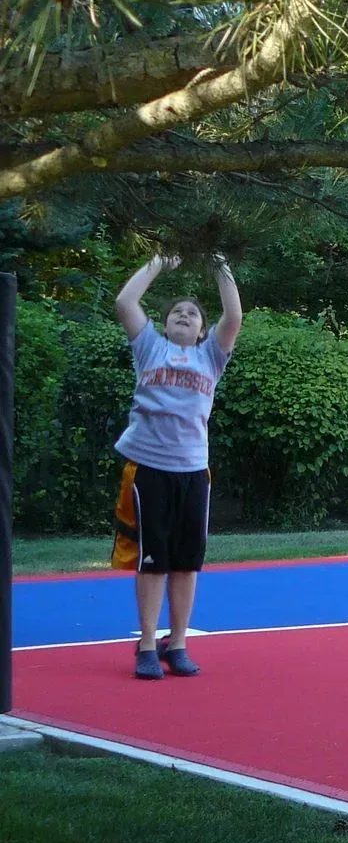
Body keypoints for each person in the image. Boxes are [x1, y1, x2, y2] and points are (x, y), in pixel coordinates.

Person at [111, 253, 243, 680]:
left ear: (203, 331)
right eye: (176, 313)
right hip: (149, 468)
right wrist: (158, 263)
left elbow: (234, 314)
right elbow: (125, 303)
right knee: (153, 559)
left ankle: (178, 642)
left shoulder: (211, 357)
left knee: (187, 562)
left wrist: (219, 265)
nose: (184, 315)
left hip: (192, 471)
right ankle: (147, 644)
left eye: (192, 314)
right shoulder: (151, 348)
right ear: (165, 326)